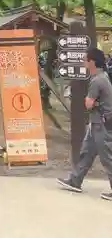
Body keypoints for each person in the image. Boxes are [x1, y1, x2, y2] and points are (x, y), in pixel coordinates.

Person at [57, 47, 112, 201]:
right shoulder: (102, 76)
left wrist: (86, 101)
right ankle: (75, 180)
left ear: (92, 62)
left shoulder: (97, 80)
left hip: (102, 124)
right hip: (96, 123)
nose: (83, 62)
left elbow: (88, 104)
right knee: (86, 153)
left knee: (107, 158)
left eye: (85, 59)